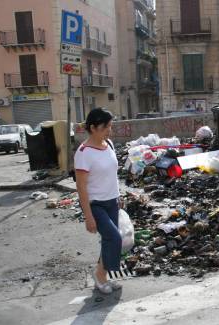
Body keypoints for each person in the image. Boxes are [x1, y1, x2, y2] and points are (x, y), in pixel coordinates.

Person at [75, 108, 123, 294]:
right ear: (93, 128)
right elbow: (81, 186)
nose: (109, 130)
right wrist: (88, 216)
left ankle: (102, 276)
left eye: (110, 126)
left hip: (112, 201)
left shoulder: (108, 144)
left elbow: (113, 174)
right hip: (96, 204)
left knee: (108, 241)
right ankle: (100, 275)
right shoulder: (84, 152)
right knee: (114, 238)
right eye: (106, 127)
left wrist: (118, 196)